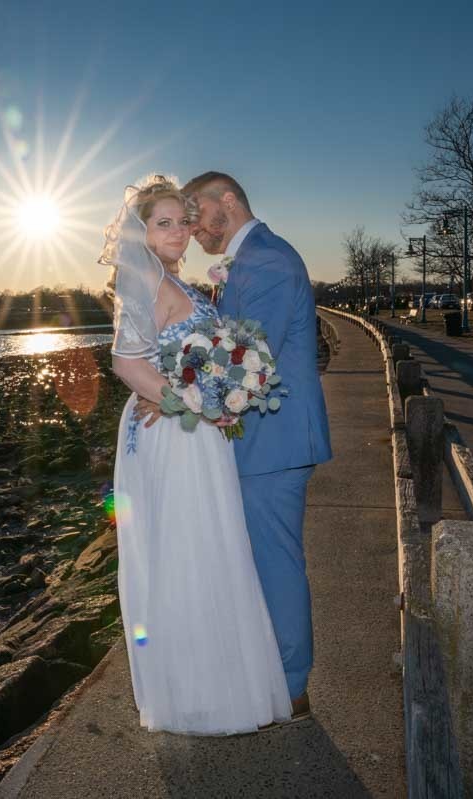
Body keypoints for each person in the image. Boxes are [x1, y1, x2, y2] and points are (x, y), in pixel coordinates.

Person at [104, 175, 292, 735]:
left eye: (183, 221)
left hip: (193, 431)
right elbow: (124, 361)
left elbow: (188, 356)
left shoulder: (172, 279)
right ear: (141, 230)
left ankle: (220, 688)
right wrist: (185, 401)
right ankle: (195, 697)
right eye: (164, 223)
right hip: (173, 434)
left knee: (210, 547)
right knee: (187, 550)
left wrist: (215, 395)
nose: (180, 232)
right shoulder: (143, 278)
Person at [140, 171, 332, 714]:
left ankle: (292, 689)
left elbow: (245, 358)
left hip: (275, 442)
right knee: (259, 560)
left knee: (274, 561)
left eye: (196, 212)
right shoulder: (249, 261)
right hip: (259, 440)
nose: (194, 227)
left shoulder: (267, 260)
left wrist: (171, 395)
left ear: (229, 199)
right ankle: (270, 679)